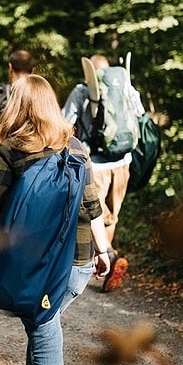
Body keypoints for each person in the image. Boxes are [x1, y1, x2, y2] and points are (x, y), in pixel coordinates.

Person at [0, 74, 112, 365]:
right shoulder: (77, 147)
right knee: (45, 316)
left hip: (34, 266)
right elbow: (92, 207)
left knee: (45, 331)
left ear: (17, 106)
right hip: (78, 264)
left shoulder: (10, 149)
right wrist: (103, 251)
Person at [62, 54, 143, 292]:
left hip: (95, 164)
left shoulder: (81, 90)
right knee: (111, 216)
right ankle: (107, 260)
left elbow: (65, 122)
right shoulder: (126, 87)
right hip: (123, 162)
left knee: (93, 213)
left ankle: (110, 256)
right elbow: (139, 116)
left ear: (91, 73)